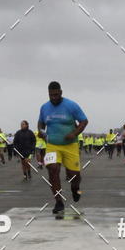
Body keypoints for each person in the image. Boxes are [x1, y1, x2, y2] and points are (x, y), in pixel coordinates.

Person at [38, 81, 88, 215]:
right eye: (51, 95)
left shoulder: (71, 105)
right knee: (53, 170)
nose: (53, 97)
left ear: (61, 92)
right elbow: (41, 124)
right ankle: (59, 202)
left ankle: (75, 189)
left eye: (56, 95)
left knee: (74, 176)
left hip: (70, 145)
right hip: (52, 145)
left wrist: (74, 133)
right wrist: (42, 132)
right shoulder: (44, 108)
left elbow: (84, 121)